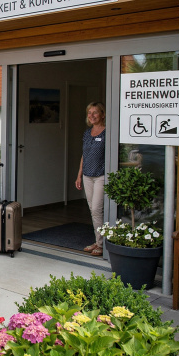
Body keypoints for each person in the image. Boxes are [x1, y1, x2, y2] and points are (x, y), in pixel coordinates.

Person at [75, 102, 106, 256]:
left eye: (95, 112)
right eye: (89, 113)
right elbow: (84, 155)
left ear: (103, 114)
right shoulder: (88, 133)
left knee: (96, 209)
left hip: (101, 175)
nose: (92, 116)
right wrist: (79, 175)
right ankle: (98, 241)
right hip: (87, 175)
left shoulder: (107, 133)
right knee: (93, 211)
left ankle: (102, 244)